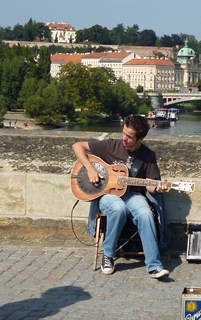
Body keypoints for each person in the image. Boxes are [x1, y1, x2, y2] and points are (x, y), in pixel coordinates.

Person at [72, 114, 170, 279]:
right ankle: (108, 255)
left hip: (133, 194)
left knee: (145, 213)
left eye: (129, 136)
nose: (124, 138)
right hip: (108, 195)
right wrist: (90, 168)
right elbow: (77, 146)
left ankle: (154, 265)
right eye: (123, 133)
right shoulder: (111, 145)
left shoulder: (147, 156)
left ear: (141, 138)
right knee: (118, 208)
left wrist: (158, 188)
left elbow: (150, 186)